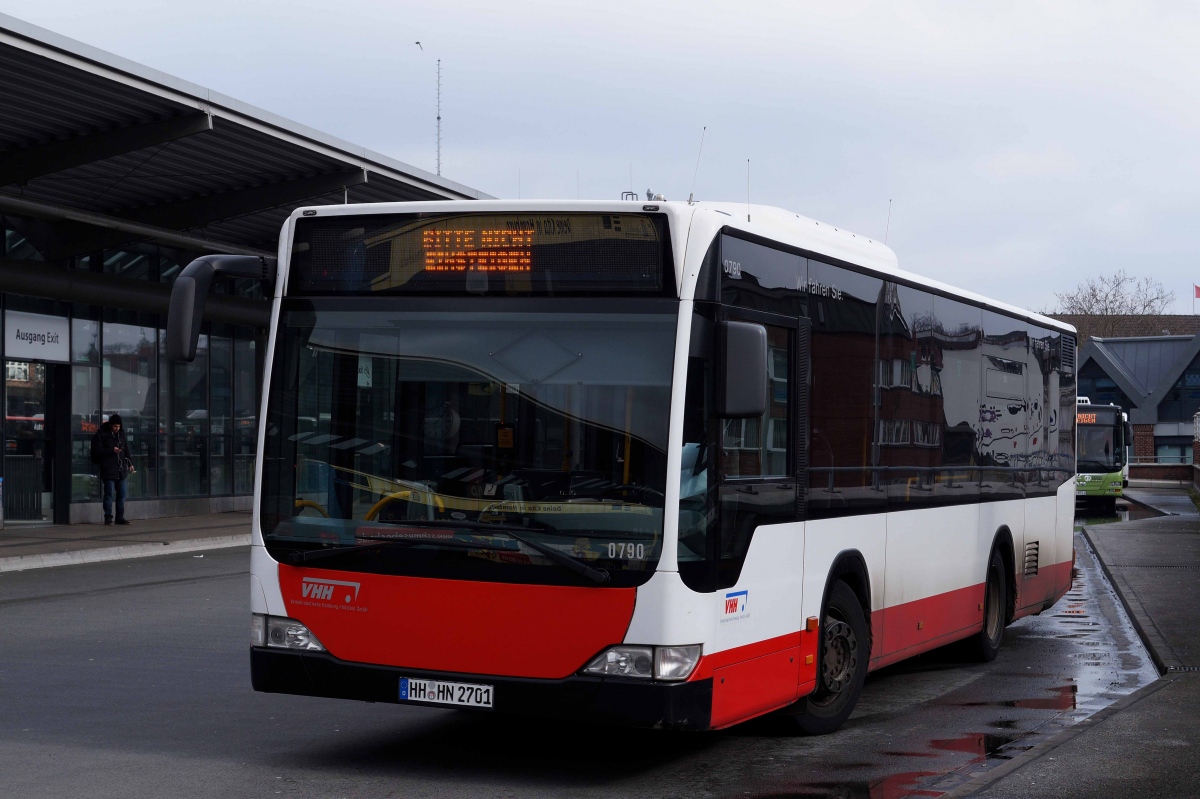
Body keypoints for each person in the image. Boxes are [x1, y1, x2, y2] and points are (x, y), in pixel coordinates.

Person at [91, 414, 134, 525]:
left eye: (119, 427)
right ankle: (108, 517)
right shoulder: (101, 434)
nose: (117, 429)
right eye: (115, 427)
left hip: (121, 469)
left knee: (122, 494)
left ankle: (119, 517)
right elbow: (97, 451)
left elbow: (126, 450)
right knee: (109, 493)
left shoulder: (121, 434)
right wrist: (111, 450)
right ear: (110, 425)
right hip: (108, 469)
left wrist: (130, 463)